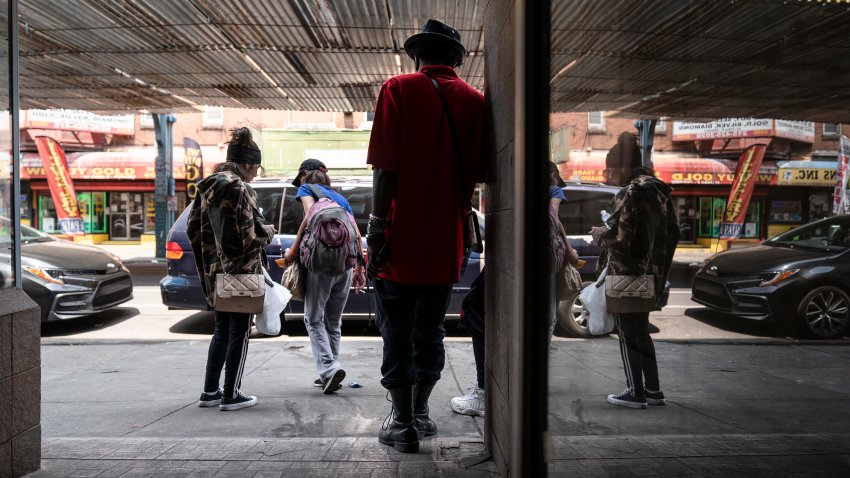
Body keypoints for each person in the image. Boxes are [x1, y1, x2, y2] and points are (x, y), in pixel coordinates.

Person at [366, 18, 485, 453]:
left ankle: (401, 424)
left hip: (402, 239)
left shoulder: (398, 89)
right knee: (430, 330)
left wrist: (376, 230)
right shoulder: (476, 102)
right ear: (456, 60)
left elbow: (385, 168)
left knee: (395, 330)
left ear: (418, 56)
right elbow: (483, 172)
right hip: (446, 243)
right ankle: (421, 412)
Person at [451, 163, 574, 418]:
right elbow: (555, 220)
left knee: (475, 308)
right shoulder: (544, 193)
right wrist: (568, 248)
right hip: (537, 262)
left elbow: (552, 217)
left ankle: (484, 393)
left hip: (523, 259)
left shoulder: (544, 192)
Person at [187, 127, 275, 411]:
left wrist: (211, 258)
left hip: (214, 271)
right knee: (240, 332)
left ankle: (210, 391)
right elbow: (247, 238)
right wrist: (268, 232)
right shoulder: (241, 189)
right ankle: (231, 394)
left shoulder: (206, 188)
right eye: (256, 169)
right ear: (247, 164)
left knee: (221, 331)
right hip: (241, 271)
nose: (255, 175)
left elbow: (192, 229)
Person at [591, 132, 680, 409]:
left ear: (623, 167)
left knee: (629, 335)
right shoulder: (658, 190)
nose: (610, 175)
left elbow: (623, 240)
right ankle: (653, 390)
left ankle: (635, 392)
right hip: (650, 274)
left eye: (611, 169)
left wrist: (600, 234)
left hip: (628, 274)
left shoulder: (632, 191)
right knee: (641, 333)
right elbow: (673, 233)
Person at [282, 159, 367, 394]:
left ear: (306, 174)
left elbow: (310, 218)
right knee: (333, 320)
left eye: (300, 177)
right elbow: (357, 235)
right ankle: (331, 370)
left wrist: (293, 250)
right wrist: (360, 268)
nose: (299, 182)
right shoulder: (340, 198)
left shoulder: (306, 189)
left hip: (322, 264)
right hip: (346, 264)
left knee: (313, 318)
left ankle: (329, 369)